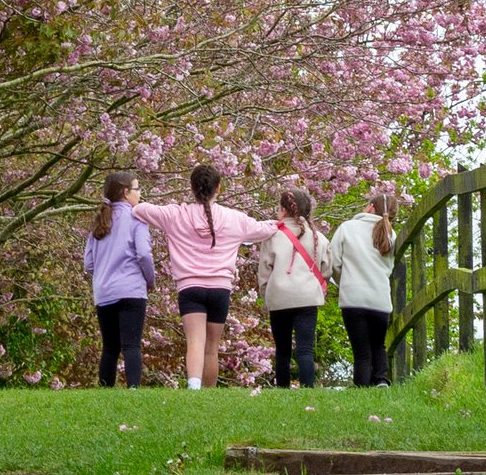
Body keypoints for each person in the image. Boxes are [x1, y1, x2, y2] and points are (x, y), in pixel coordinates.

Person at [133, 164, 279, 390]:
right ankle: (209, 396)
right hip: (220, 288)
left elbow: (141, 210)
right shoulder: (234, 218)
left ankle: (193, 388)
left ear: (192, 188)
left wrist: (129, 199)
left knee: (195, 342)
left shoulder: (175, 214)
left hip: (190, 287)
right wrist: (281, 222)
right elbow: (263, 229)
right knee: (212, 346)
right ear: (218, 188)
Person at [84, 171, 155, 388]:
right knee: (131, 345)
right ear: (126, 193)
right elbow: (143, 253)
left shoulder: (99, 222)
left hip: (104, 292)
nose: (140, 193)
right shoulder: (137, 217)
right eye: (137, 189)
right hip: (131, 289)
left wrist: (105, 272)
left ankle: (106, 390)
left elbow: (88, 263)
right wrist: (149, 279)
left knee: (110, 347)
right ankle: (133, 388)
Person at [258, 187, 332, 388]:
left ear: (283, 210)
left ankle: (282, 390)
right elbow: (326, 269)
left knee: (282, 349)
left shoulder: (272, 236)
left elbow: (264, 271)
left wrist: (268, 293)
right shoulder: (319, 238)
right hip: (307, 297)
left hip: (280, 297)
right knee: (305, 349)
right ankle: (308, 390)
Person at [329, 192, 399, 387]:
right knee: (379, 345)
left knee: (361, 351)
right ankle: (382, 380)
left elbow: (333, 262)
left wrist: (345, 281)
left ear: (370, 206)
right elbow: (390, 267)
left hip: (353, 299)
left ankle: (362, 388)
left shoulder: (347, 228)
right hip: (380, 300)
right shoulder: (390, 234)